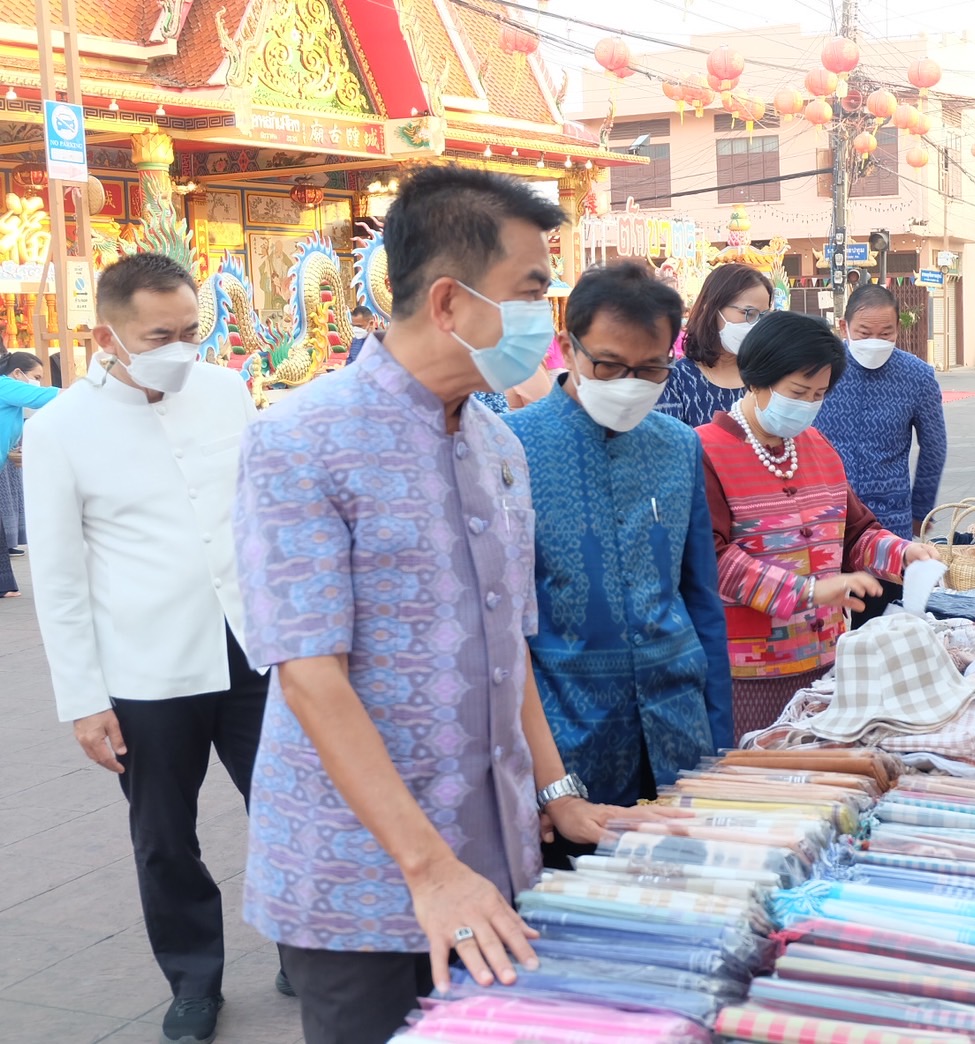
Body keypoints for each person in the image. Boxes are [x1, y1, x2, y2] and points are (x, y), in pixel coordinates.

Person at [234, 167, 674, 1044]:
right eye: (529, 291)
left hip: (495, 851)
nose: (542, 320)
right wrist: (428, 868)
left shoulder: (494, 441)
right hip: (366, 874)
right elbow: (312, 677)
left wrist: (557, 794)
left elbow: (505, 644)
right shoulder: (300, 440)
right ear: (448, 300)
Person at [22, 254, 274, 1044]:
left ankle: (308, 945)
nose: (179, 349)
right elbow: (58, 578)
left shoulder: (228, 392)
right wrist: (83, 701)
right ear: (106, 337)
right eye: (158, 335)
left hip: (253, 651)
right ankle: (194, 979)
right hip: (145, 668)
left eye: (191, 331)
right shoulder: (58, 428)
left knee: (289, 808)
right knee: (165, 837)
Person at [503, 261, 732, 865]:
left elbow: (700, 598)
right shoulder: (508, 447)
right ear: (568, 347)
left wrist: (719, 745)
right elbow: (499, 627)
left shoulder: (678, 444)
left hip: (676, 735)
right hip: (567, 743)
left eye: (650, 368)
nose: (630, 382)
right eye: (609, 366)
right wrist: (535, 777)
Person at [697, 310, 939, 735]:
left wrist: (903, 553)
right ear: (756, 380)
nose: (809, 405)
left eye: (819, 395)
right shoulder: (705, 451)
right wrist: (809, 591)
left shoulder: (816, 447)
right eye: (798, 392)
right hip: (746, 674)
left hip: (825, 661)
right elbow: (711, 560)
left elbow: (855, 532)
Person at [816, 283, 947, 624]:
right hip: (824, 516)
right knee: (825, 616)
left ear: (898, 330)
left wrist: (921, 509)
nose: (875, 340)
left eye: (885, 332)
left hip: (890, 520)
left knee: (881, 617)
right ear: (844, 328)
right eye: (864, 332)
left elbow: (934, 446)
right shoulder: (819, 370)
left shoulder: (917, 376)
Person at [656, 263, 774, 426]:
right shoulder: (675, 380)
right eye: (749, 313)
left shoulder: (771, 377)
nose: (756, 324)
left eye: (764, 316)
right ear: (712, 309)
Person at [0, 349, 58, 596]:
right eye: (36, 376)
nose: (39, 382)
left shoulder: (10, 396)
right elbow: (45, 397)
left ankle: (5, 586)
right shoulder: (4, 384)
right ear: (17, 373)